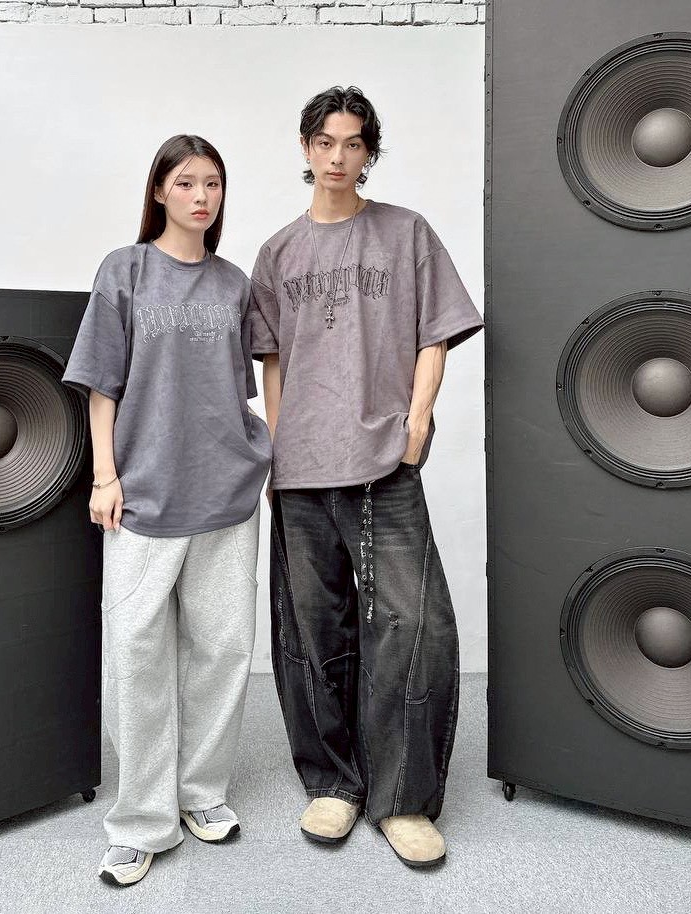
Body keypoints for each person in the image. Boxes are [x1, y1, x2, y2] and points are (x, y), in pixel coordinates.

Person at [248, 87, 483, 868]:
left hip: (384, 460)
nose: (338, 156)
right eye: (325, 141)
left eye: (353, 143)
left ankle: (402, 799)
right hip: (303, 467)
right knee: (313, 629)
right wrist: (275, 452)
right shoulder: (279, 252)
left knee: (411, 628)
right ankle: (334, 783)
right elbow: (274, 362)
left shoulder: (405, 232)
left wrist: (416, 425)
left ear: (369, 152)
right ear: (305, 147)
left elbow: (434, 336)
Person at [62, 134, 272, 887]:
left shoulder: (235, 283)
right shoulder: (124, 270)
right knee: (137, 655)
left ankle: (201, 794)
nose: (201, 196)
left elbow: (242, 384)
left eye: (212, 182)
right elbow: (102, 384)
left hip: (226, 493)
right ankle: (142, 821)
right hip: (144, 495)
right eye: (185, 182)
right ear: (159, 191)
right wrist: (105, 476)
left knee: (223, 650)